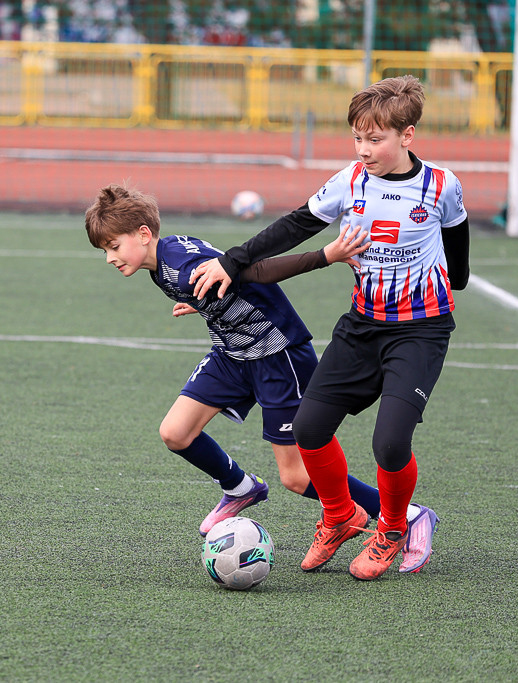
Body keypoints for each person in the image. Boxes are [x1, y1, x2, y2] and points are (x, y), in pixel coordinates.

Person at [190, 75, 468, 580]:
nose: (364, 149)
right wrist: (234, 262)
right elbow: (296, 224)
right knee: (309, 429)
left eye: (375, 139)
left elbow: (458, 241)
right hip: (361, 327)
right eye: (358, 138)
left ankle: (391, 530)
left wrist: (456, 279)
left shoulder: (442, 185)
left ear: (408, 135)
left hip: (421, 331)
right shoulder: (350, 181)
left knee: (389, 443)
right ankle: (339, 517)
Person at [84, 184, 437, 562]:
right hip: (233, 352)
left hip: (277, 355)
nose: (109, 258)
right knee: (175, 432)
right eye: (105, 250)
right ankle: (240, 488)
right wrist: (201, 303)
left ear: (142, 234)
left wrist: (326, 255)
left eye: (114, 246)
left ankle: (407, 515)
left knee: (296, 477)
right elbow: (220, 275)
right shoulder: (166, 254)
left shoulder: (181, 268)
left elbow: (256, 272)